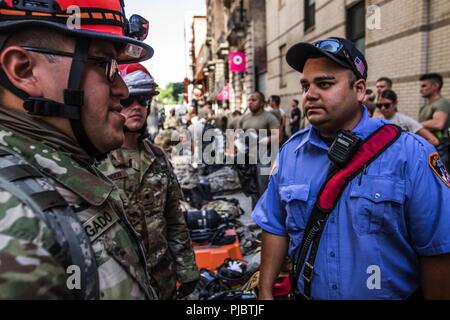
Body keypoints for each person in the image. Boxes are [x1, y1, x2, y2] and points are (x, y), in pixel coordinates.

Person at [253, 37, 450, 300]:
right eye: (305, 85)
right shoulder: (291, 154)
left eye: (324, 84)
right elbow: (275, 225)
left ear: (358, 90)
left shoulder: (411, 154)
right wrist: (265, 293)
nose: (309, 94)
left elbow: (437, 250)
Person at [0, 0, 157, 299]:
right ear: (24, 69)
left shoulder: (58, 168)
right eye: (104, 65)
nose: (123, 91)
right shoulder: (12, 224)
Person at [98, 63, 200, 300]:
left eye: (143, 100)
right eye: (128, 100)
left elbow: (174, 218)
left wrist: (186, 269)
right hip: (118, 287)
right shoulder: (94, 161)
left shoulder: (157, 157)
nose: (136, 107)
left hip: (163, 280)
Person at [418, 73, 450, 166]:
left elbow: (439, 123)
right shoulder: (425, 106)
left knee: (440, 178)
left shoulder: (442, 103)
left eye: (424, 86)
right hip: (428, 146)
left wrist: (414, 124)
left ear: (436, 86)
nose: (421, 89)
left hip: (440, 148)